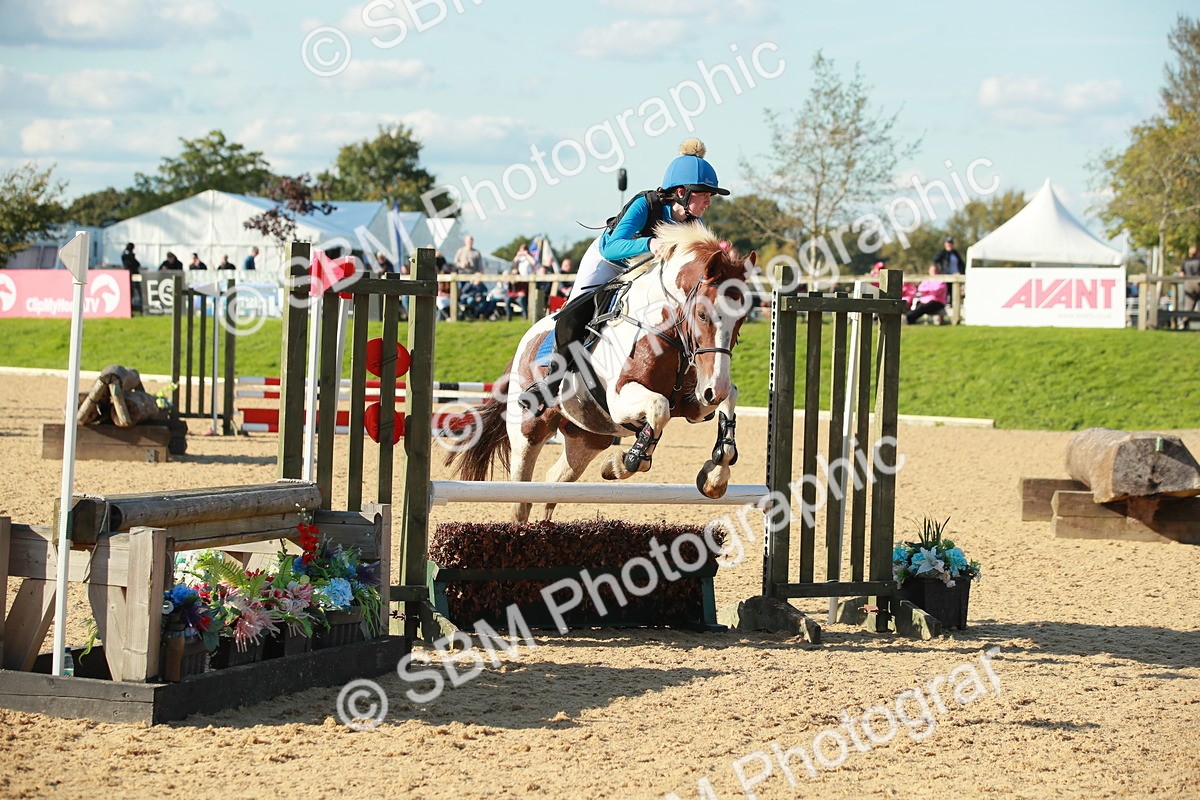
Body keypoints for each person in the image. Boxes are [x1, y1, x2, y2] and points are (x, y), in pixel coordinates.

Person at [522, 138, 729, 414]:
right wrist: (649, 244)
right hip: (608, 262)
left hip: (645, 271)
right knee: (577, 310)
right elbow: (612, 247)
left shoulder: (695, 223)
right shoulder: (645, 205)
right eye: (704, 195)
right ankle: (548, 381)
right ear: (681, 192)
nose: (709, 202)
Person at [1178, 245, 1200, 330]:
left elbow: (1182, 274)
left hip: (1188, 284)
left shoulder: (1185, 261)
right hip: (1198, 283)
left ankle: (1184, 323)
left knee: (1189, 306)